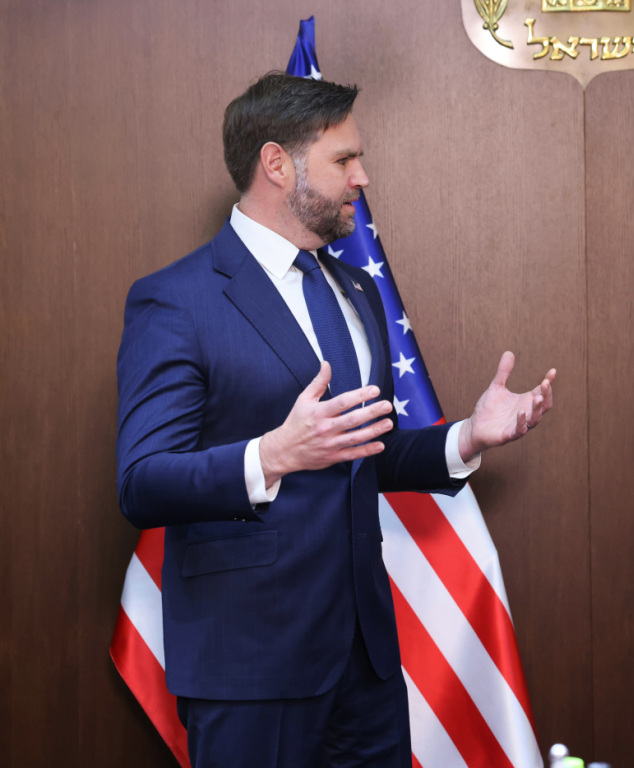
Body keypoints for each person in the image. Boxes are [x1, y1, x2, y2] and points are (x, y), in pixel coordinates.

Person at [115, 72, 556, 768]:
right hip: (251, 665)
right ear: (276, 164)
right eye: (344, 160)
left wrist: (466, 438)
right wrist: (271, 455)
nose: (362, 178)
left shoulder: (355, 289)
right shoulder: (176, 300)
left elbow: (362, 451)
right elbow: (141, 482)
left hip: (366, 661)